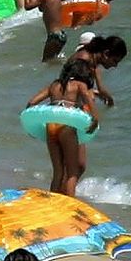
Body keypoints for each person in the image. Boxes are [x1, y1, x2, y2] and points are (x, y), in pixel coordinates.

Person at [26, 63, 98, 197]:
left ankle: (53, 203)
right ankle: (70, 205)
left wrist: (30, 124)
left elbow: (31, 102)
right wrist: (95, 120)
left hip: (51, 126)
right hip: (67, 126)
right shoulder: (79, 85)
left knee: (58, 172)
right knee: (72, 173)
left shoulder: (54, 85)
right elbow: (89, 101)